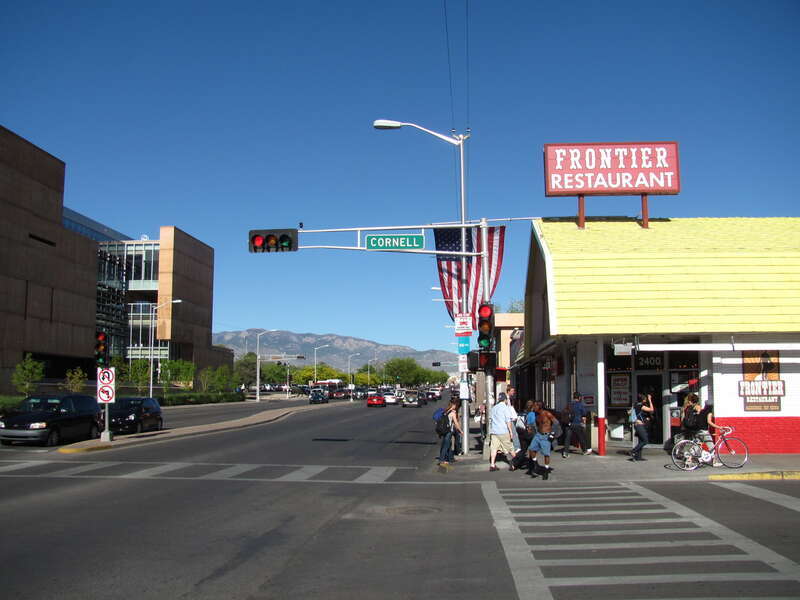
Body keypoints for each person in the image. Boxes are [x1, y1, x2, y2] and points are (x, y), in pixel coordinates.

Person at [526, 401, 558, 479]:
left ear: (539, 407)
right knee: (531, 449)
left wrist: (552, 433)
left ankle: (546, 470)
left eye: (535, 406)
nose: (533, 408)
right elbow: (537, 424)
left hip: (546, 436)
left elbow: (556, 422)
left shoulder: (547, 413)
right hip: (538, 435)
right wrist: (531, 428)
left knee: (546, 454)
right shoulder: (537, 415)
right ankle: (535, 464)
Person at [489, 395, 517, 472]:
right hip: (503, 431)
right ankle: (514, 464)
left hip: (494, 431)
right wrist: (511, 431)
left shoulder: (494, 408)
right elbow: (508, 421)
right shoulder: (506, 408)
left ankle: (492, 464)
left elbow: (490, 419)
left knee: (494, 448)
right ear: (505, 400)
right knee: (510, 447)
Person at [562, 391, 591, 458]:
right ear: (579, 397)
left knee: (567, 438)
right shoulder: (580, 405)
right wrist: (583, 423)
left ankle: (565, 453)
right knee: (581, 437)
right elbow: (584, 414)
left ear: (573, 397)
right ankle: (584, 451)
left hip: (569, 424)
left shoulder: (569, 404)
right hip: (577, 423)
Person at [629, 393, 654, 461]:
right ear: (643, 400)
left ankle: (638, 457)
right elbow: (651, 409)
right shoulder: (640, 406)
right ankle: (633, 451)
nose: (646, 400)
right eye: (645, 399)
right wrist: (650, 400)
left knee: (641, 441)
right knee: (645, 441)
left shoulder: (636, 404)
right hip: (639, 425)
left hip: (638, 425)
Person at [437, 399, 462, 467]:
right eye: (455, 405)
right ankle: (441, 460)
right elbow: (456, 423)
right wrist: (460, 431)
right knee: (446, 446)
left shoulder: (446, 411)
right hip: (448, 431)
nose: (456, 406)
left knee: (448, 445)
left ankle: (450, 458)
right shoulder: (452, 413)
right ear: (453, 405)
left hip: (444, 431)